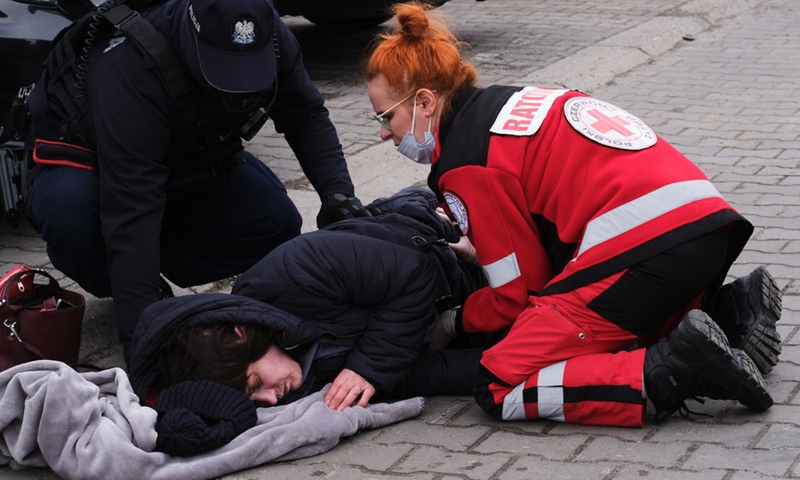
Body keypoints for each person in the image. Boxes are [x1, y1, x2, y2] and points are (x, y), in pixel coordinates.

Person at [363, 2, 783, 426]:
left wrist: (452, 322)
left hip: (648, 251)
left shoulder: (467, 161)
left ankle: (669, 372)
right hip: (705, 224)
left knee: (500, 383)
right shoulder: (510, 103)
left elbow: (518, 296)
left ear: (425, 101)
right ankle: (731, 312)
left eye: (386, 116)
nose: (383, 132)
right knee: (609, 326)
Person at [22, 0, 372, 360]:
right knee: (74, 216)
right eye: (226, 69)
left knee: (276, 221)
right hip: (92, 167)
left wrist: (338, 196)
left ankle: (155, 263)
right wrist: (143, 345)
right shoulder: (132, 67)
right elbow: (131, 210)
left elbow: (305, 114)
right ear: (192, 37)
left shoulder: (270, 34)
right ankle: (136, 286)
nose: (239, 83)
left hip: (182, 153)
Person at [128, 187, 488, 411]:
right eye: (254, 401)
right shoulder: (298, 380)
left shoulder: (291, 274)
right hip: (467, 304)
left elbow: (413, 273)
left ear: (239, 335)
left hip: (450, 229)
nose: (270, 399)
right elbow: (411, 373)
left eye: (255, 385)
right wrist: (497, 367)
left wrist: (370, 368)